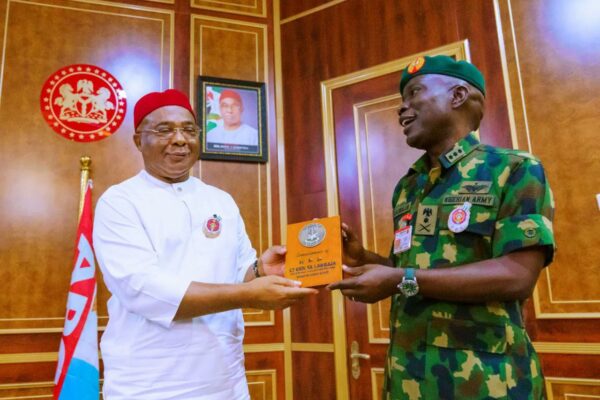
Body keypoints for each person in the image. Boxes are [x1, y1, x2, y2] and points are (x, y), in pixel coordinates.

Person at [329, 55, 555, 399]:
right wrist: (363, 258)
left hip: (486, 383)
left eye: (415, 93)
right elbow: (409, 269)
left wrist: (400, 279)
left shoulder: (513, 169)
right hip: (409, 379)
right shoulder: (409, 186)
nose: (402, 108)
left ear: (458, 95)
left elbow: (517, 275)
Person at [93, 89, 317, 399]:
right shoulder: (120, 201)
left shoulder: (220, 200)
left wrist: (260, 269)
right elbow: (142, 289)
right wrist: (249, 295)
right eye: (164, 130)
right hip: (149, 383)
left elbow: (238, 272)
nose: (180, 139)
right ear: (138, 141)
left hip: (226, 380)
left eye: (188, 130)